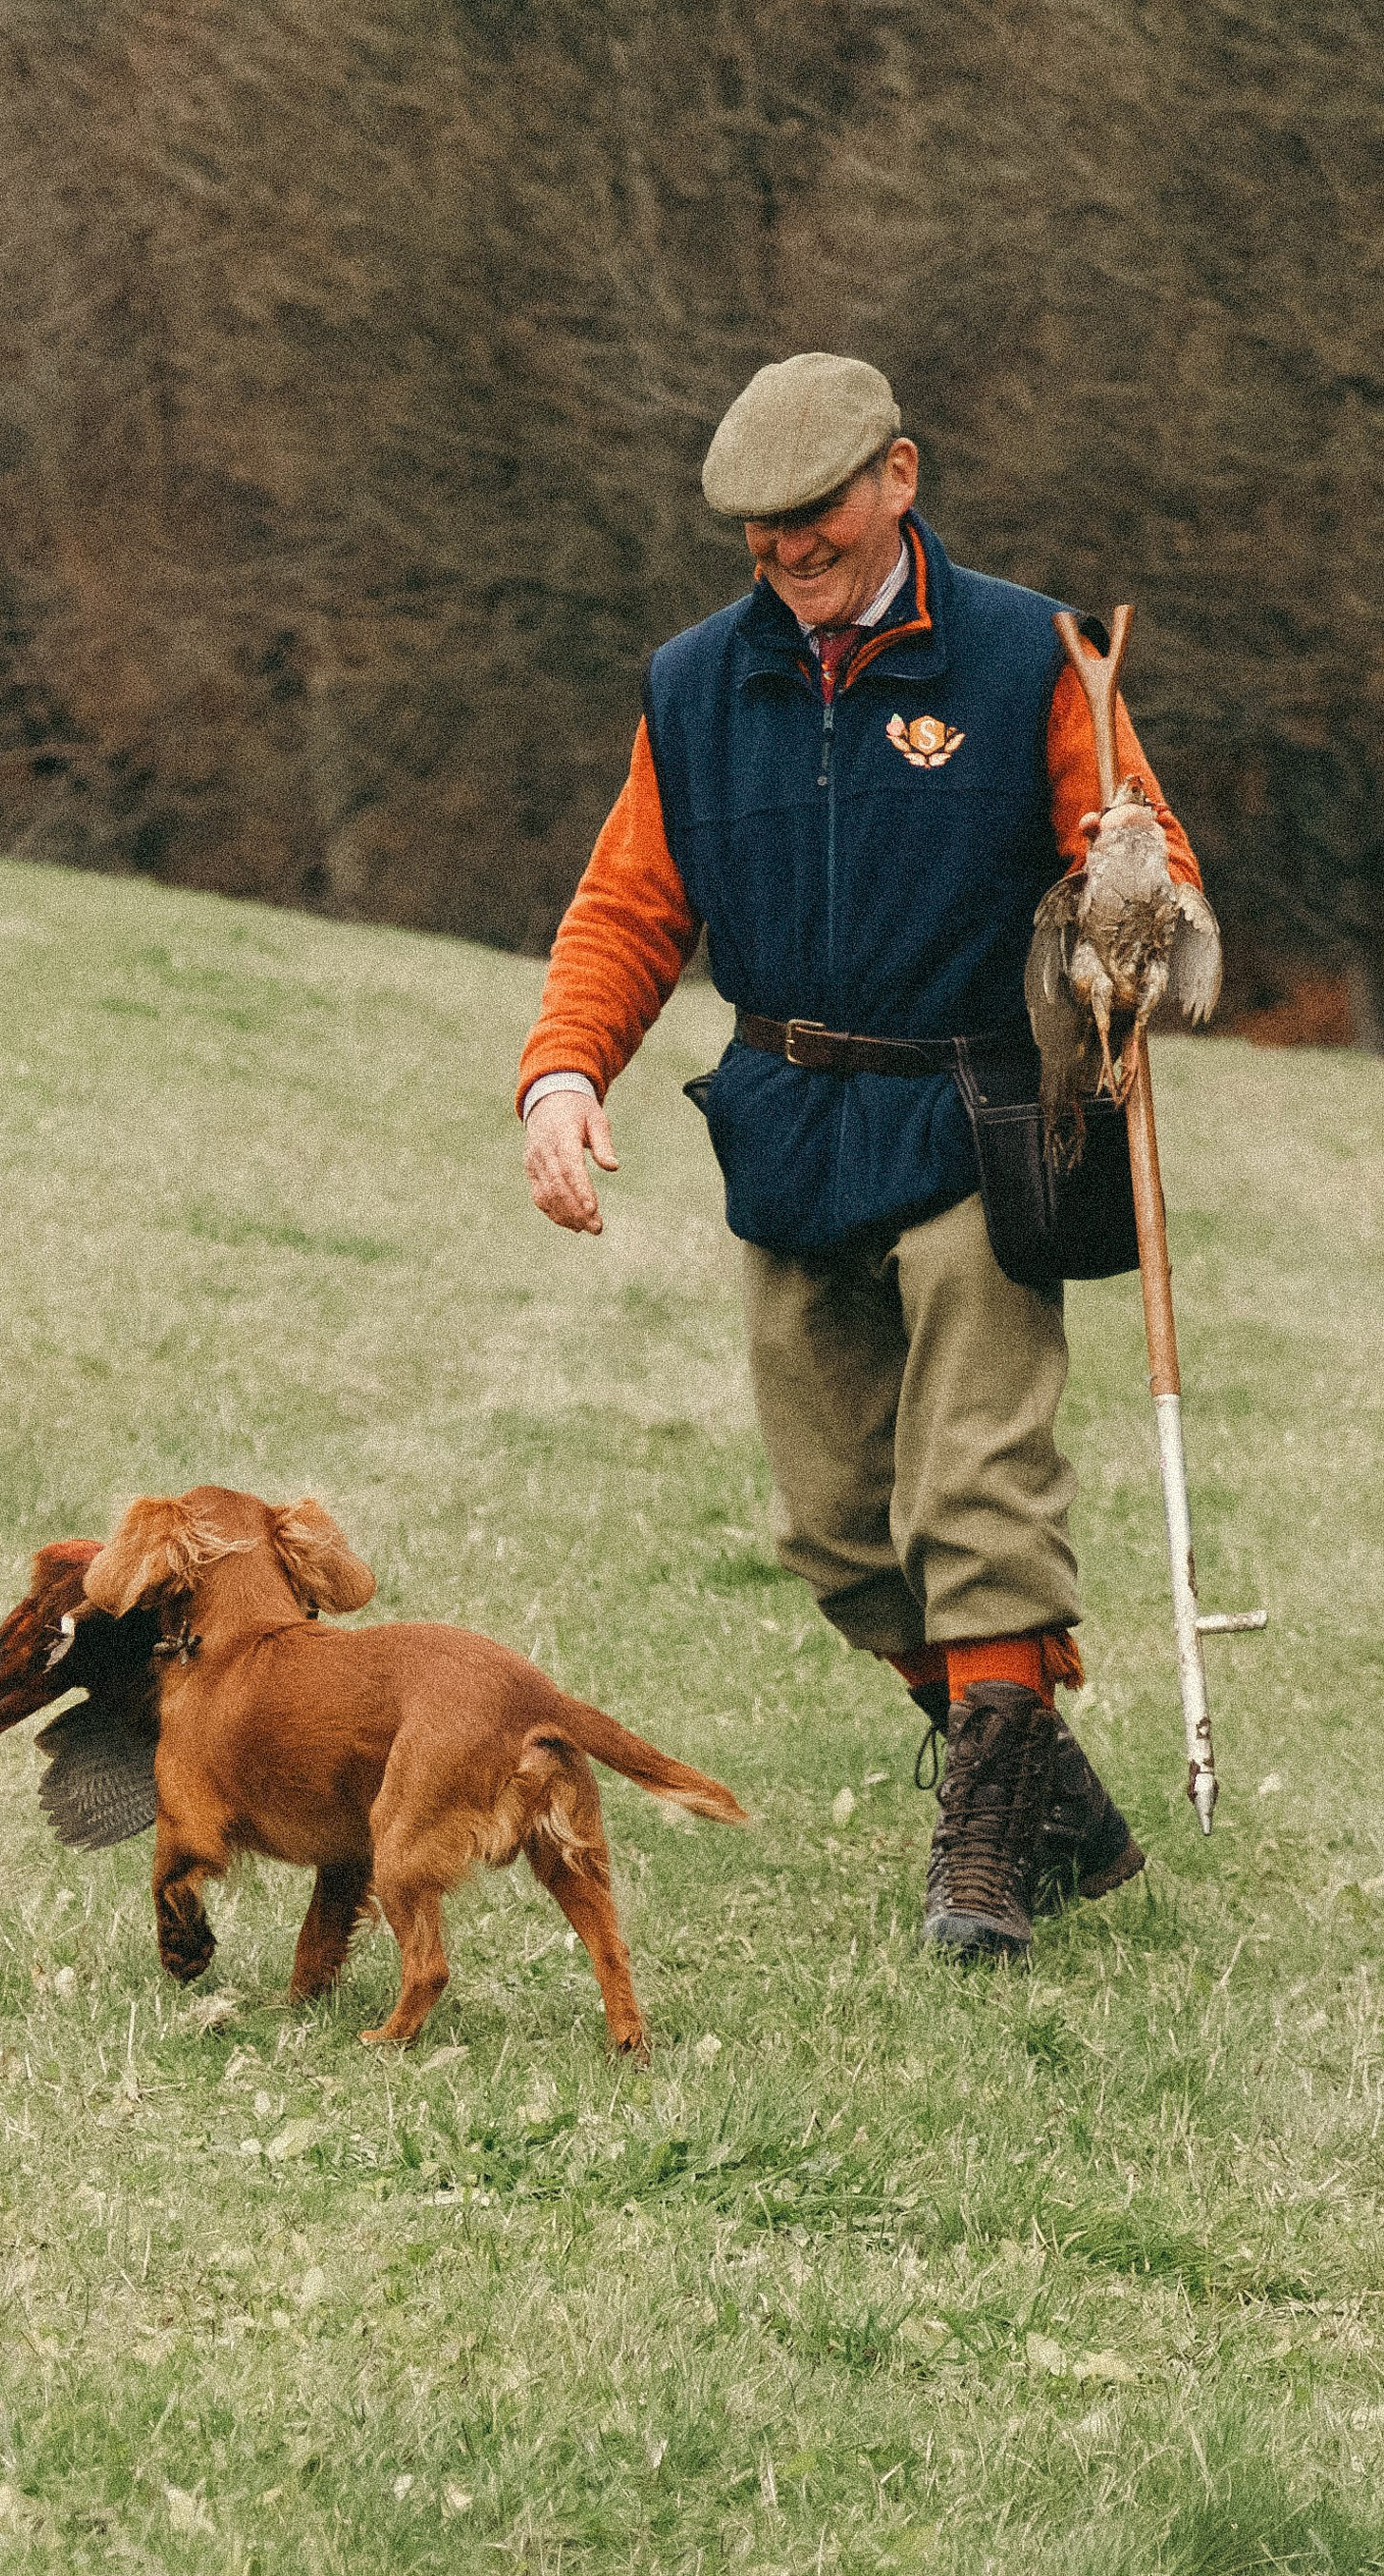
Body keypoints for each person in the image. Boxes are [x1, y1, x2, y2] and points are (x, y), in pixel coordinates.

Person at [518, 352, 1209, 1960]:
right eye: (758, 531)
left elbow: (1141, 855)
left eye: (812, 514)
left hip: (985, 1120)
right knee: (837, 1527)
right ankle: (1039, 1783)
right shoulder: (694, 684)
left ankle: (980, 1862)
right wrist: (560, 1075)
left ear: (899, 476)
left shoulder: (1033, 655)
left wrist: (1141, 895)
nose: (787, 550)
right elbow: (631, 907)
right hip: (789, 1126)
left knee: (973, 1489)